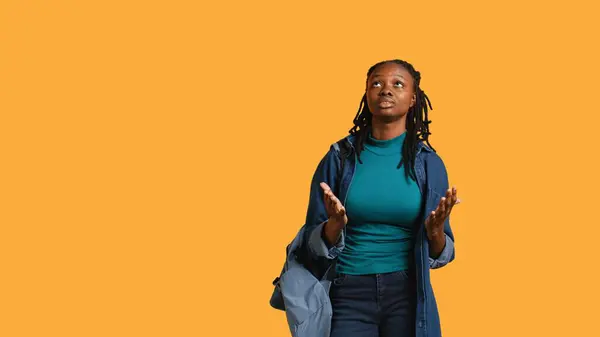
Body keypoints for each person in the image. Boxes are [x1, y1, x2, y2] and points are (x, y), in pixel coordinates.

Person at [299, 59, 459, 337]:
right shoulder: (339, 158)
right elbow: (310, 244)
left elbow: (442, 254)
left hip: (407, 293)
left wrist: (435, 233)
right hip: (347, 290)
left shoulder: (429, 164)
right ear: (367, 94)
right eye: (377, 83)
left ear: (412, 99)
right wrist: (333, 225)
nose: (386, 90)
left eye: (398, 84)